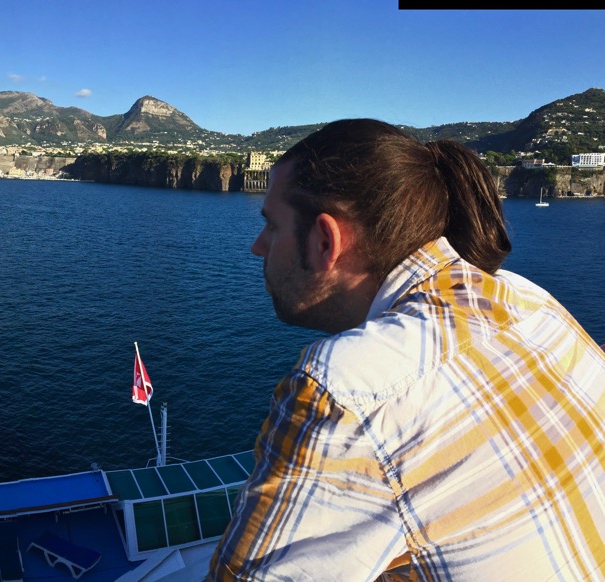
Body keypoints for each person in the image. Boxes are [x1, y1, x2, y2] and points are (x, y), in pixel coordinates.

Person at [208, 119, 605, 580]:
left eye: (271, 226)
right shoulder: (532, 301)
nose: (257, 247)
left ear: (324, 241)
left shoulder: (346, 390)